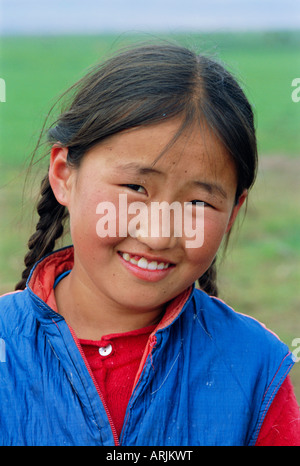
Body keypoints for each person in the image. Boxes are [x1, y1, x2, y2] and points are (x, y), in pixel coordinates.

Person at [0, 43, 299, 446]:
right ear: (64, 175)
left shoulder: (255, 366)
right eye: (135, 187)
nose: (159, 234)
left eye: (198, 202)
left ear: (232, 213)